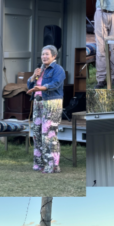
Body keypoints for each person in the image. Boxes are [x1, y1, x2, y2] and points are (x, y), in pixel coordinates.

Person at [27, 45, 66, 173]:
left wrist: (42, 88)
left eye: (47, 54)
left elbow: (55, 84)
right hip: (38, 103)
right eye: (43, 54)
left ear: (54, 56)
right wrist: (33, 76)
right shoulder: (40, 69)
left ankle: (53, 165)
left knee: (48, 134)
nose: (44, 56)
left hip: (51, 103)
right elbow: (30, 84)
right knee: (37, 134)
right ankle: (39, 163)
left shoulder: (58, 69)